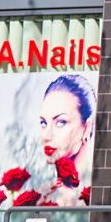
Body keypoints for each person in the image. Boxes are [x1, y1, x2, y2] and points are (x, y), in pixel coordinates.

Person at [35, 73, 96, 207]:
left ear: (87, 127)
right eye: (44, 123)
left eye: (61, 122)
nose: (46, 136)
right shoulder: (43, 192)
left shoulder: (100, 190)